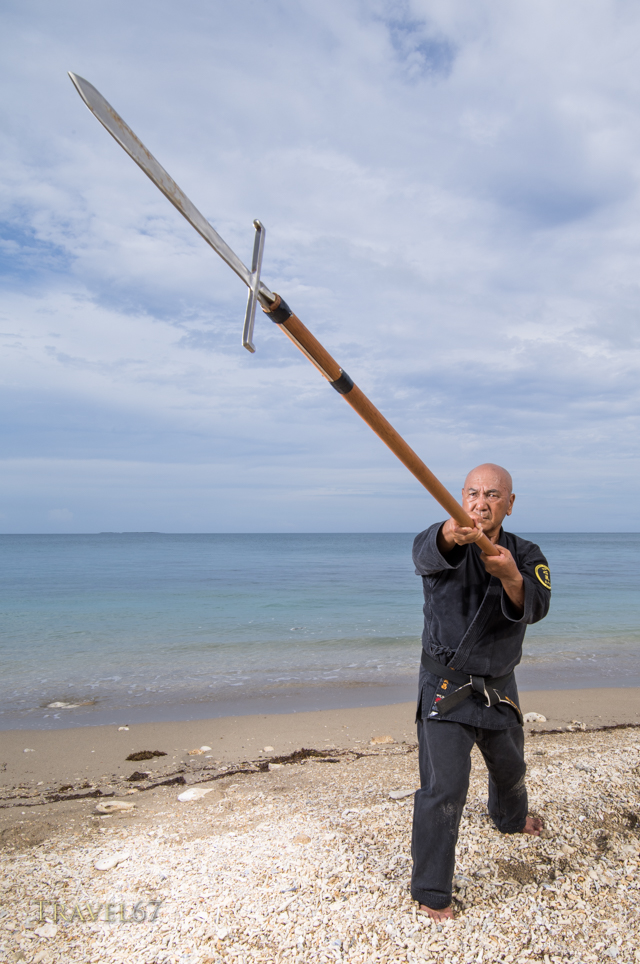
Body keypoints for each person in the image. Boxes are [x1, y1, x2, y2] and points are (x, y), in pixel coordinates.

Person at [411, 463, 551, 920]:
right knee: (444, 788)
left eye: (493, 494)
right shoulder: (442, 539)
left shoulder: (526, 553)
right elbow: (423, 556)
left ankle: (510, 819)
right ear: (461, 498)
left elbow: (538, 606)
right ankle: (431, 892)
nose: (481, 502)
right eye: (473, 493)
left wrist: (510, 575)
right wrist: (452, 533)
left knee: (511, 769)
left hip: (498, 689)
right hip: (445, 689)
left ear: (509, 504)